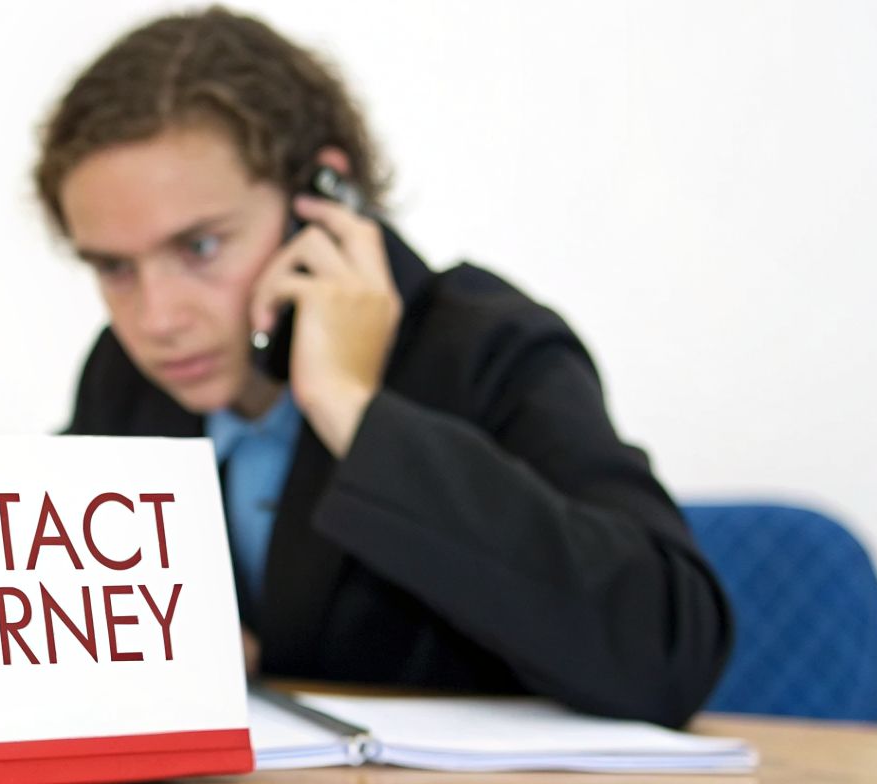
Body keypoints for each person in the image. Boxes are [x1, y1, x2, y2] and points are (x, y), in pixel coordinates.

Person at [38, 7, 732, 728]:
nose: (157, 319)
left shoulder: (485, 348)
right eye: (114, 267)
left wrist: (351, 406)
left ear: (323, 199)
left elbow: (669, 648)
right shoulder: (124, 380)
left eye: (202, 248)